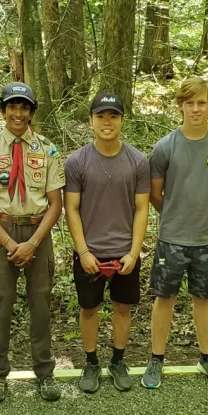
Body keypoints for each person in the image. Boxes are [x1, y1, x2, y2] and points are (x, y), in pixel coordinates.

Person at [143, 76, 208, 390]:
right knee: (164, 298)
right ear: (180, 105)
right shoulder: (165, 147)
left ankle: (207, 356)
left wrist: (204, 214)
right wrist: (178, 216)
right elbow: (156, 195)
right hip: (172, 238)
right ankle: (157, 358)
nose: (195, 109)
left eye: (202, 103)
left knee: (204, 298)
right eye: (190, 103)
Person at [0, 82, 64, 402]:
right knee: (1, 303)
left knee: (41, 305)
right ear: (2, 110)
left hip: (38, 235)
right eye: (12, 106)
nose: (18, 112)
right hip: (3, 235)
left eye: (24, 107)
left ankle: (44, 372)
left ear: (31, 112)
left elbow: (56, 204)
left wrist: (34, 243)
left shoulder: (47, 149)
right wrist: (11, 244)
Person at [64, 91, 150, 393]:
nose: (107, 122)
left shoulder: (138, 161)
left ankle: (117, 361)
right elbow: (71, 209)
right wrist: (83, 250)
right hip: (90, 254)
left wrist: (134, 251)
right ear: (91, 120)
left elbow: (142, 208)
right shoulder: (77, 161)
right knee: (89, 309)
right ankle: (90, 362)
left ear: (122, 120)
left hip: (125, 253)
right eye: (100, 115)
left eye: (113, 115)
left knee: (122, 308)